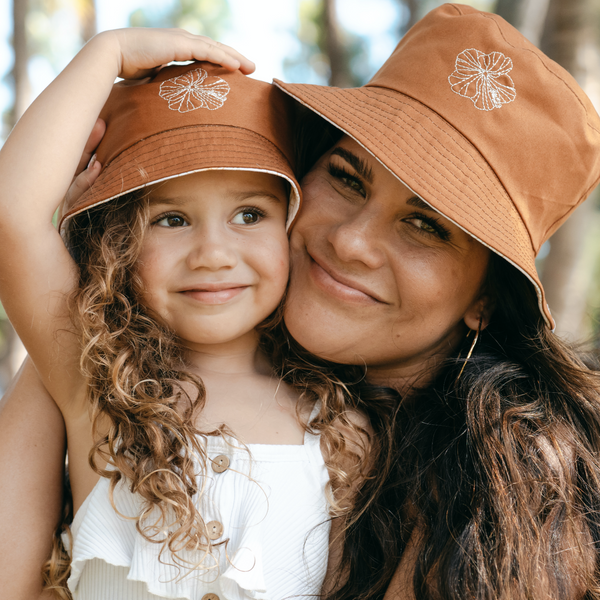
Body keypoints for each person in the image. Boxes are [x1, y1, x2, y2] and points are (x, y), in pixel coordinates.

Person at [3, 3, 600, 599]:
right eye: (346, 176)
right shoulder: (108, 375)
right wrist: (91, 260)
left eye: (426, 225)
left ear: (486, 300)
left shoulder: (475, 484)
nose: (350, 240)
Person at [0, 29, 369, 600]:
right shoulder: (96, 378)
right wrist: (108, 54)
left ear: (293, 229)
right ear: (116, 244)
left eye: (250, 214)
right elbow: (13, 214)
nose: (215, 255)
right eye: (171, 219)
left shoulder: (338, 429)